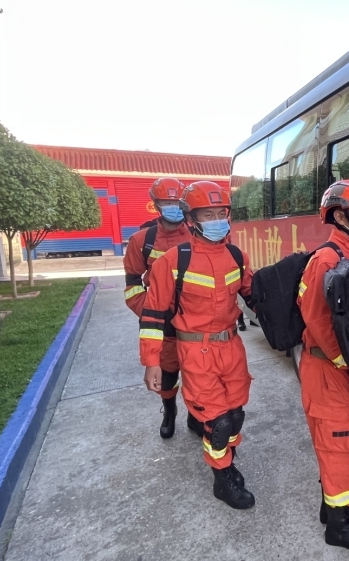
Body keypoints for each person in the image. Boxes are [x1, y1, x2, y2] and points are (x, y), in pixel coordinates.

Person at [139, 181, 256, 510]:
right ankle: (222, 477)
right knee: (218, 422)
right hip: (195, 351)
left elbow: (252, 294)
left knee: (235, 414)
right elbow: (152, 316)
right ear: (191, 219)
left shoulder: (236, 255)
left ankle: (227, 458)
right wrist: (151, 362)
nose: (218, 221)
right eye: (208, 215)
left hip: (231, 346)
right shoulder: (173, 261)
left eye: (221, 213)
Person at [297, 180, 349, 554]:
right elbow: (315, 317)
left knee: (343, 440)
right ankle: (338, 527)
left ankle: (336, 506)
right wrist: (345, 358)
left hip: (339, 369)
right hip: (326, 367)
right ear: (340, 216)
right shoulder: (326, 260)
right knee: (340, 443)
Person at [123, 177, 202, 439]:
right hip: (162, 322)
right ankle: (169, 411)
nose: (173, 208)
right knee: (167, 375)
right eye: (167, 203)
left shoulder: (197, 235)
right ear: (156, 204)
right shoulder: (141, 241)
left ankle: (195, 415)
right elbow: (133, 283)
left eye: (177, 202)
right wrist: (148, 311)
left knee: (196, 372)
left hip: (194, 320)